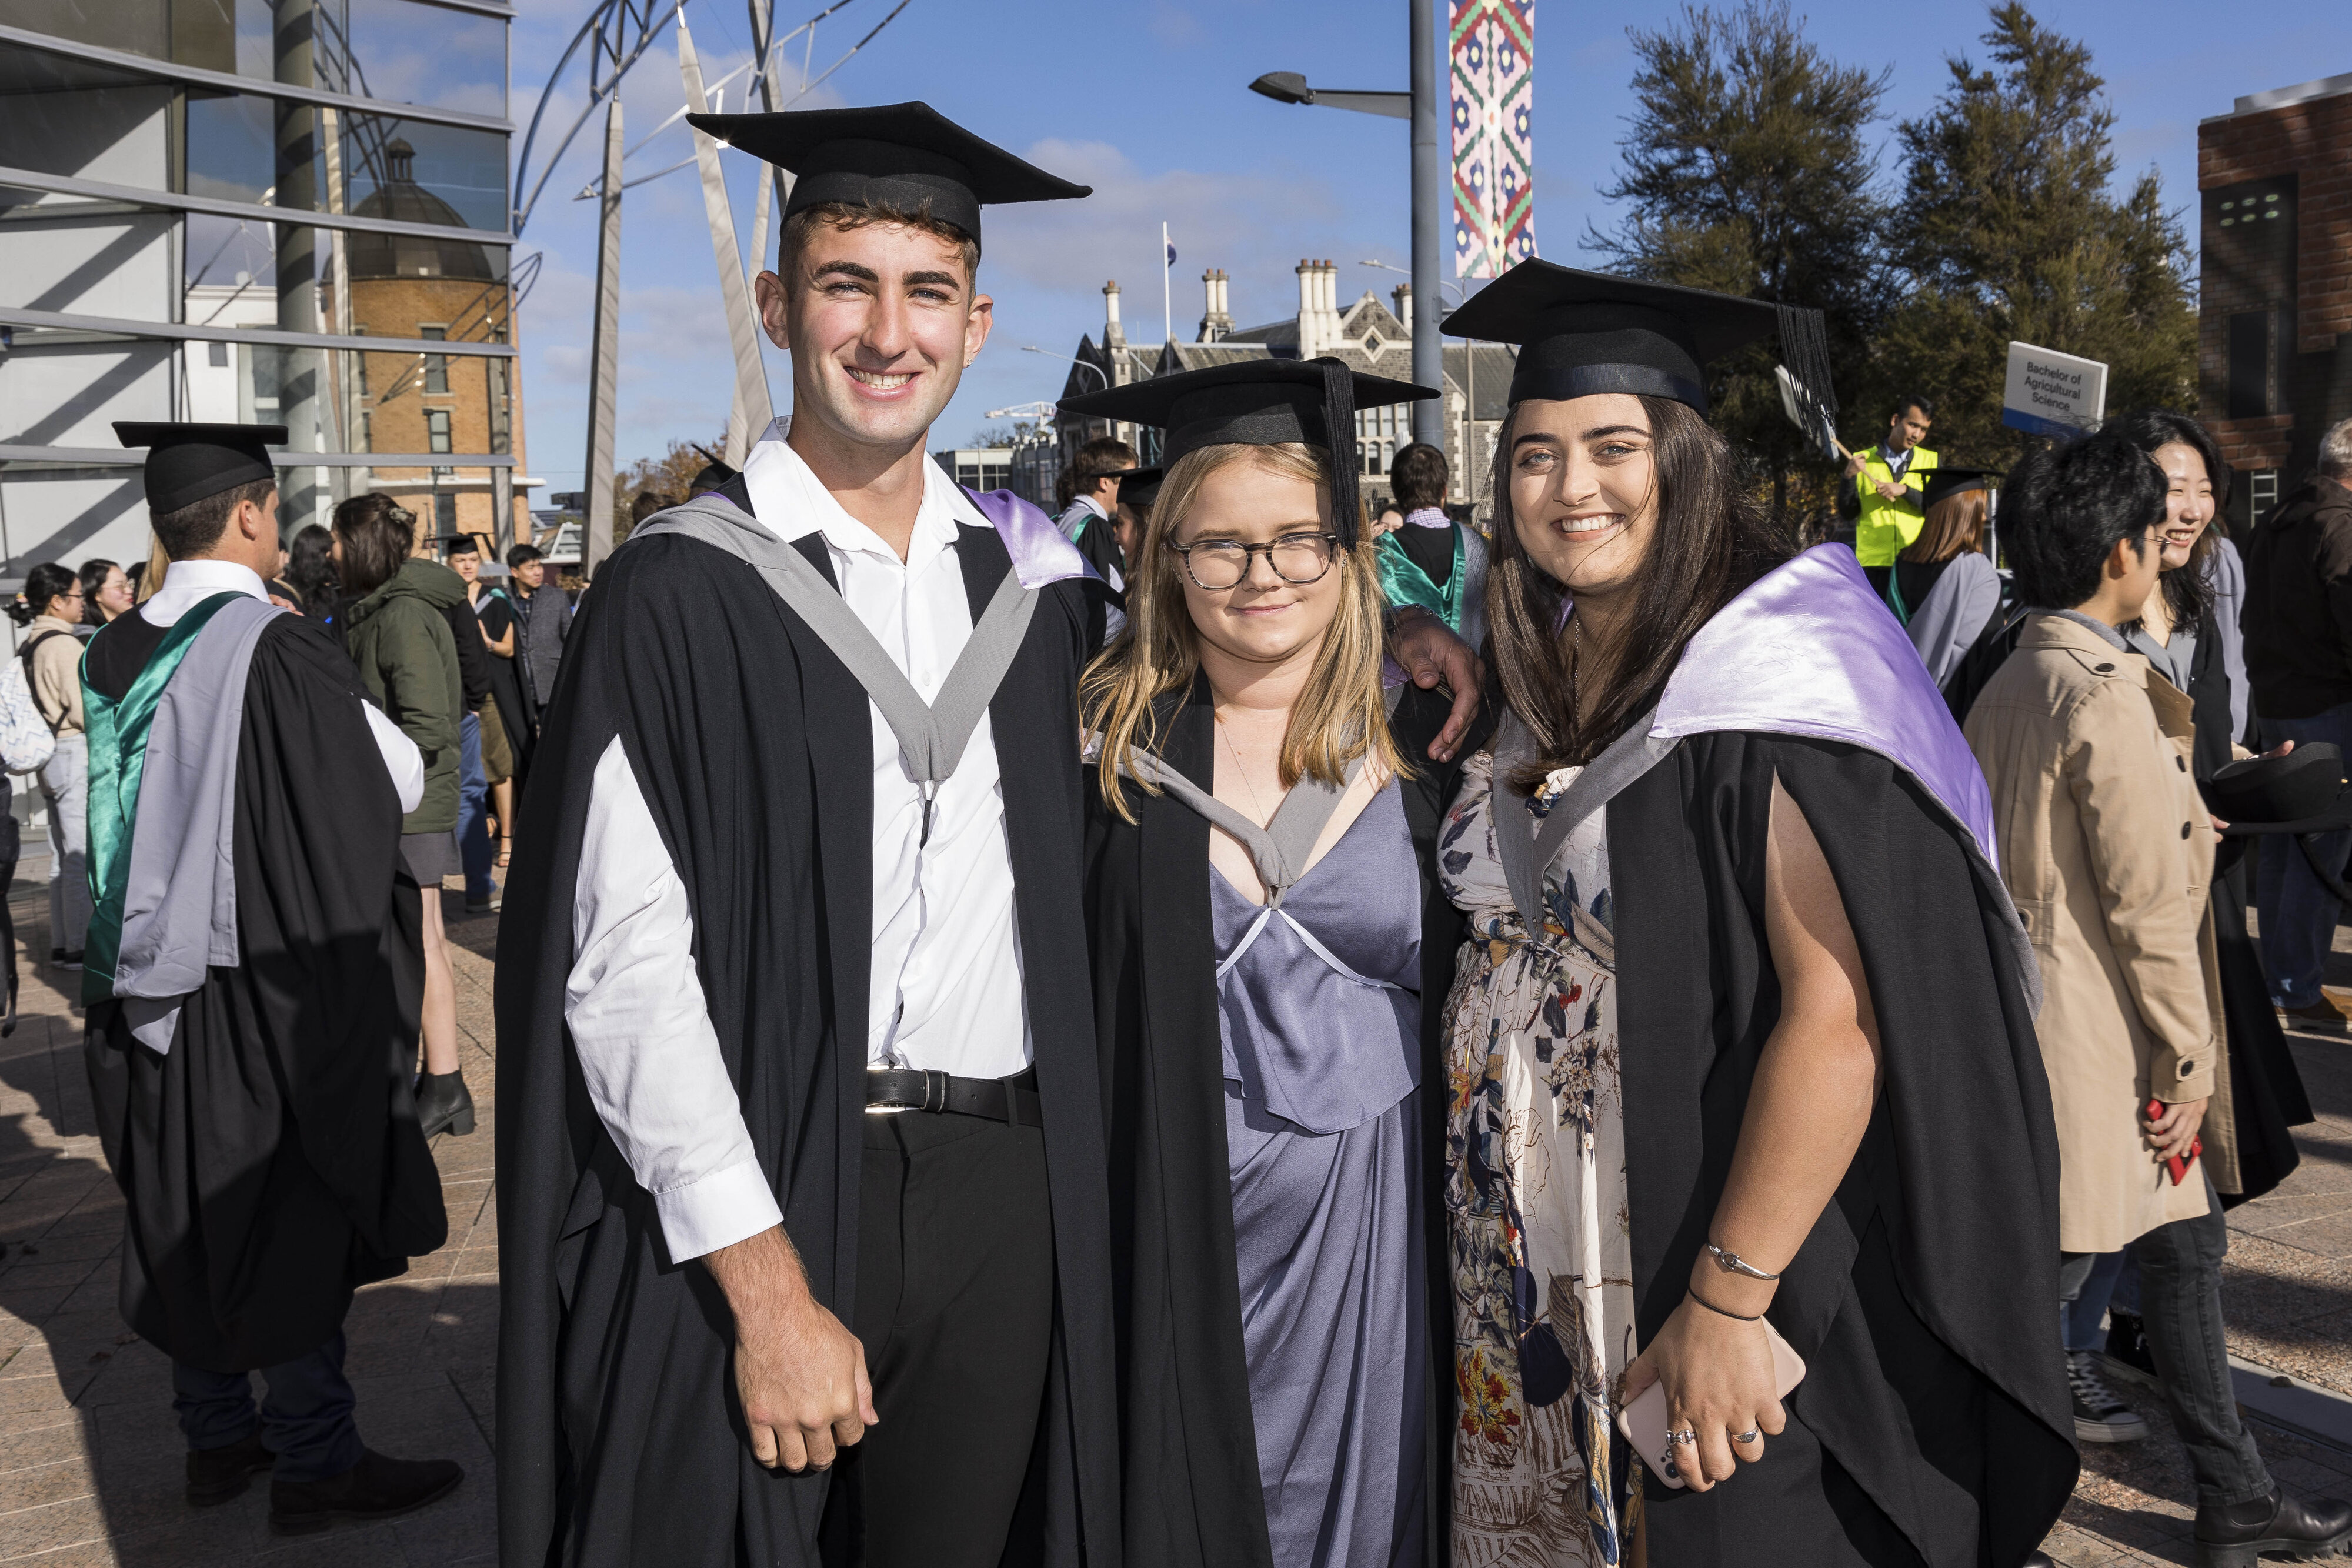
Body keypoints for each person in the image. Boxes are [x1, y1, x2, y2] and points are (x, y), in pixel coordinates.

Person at [1436, 260, 2073, 1564]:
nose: (1570, 486)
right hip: (1526, 1260)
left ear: (1683, 459)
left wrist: (1730, 1300)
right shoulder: (1539, 665)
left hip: (1697, 1238)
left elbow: (1840, 1018)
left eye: (1612, 447)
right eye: (1535, 456)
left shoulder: (1773, 673)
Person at [1065, 361, 1464, 1567]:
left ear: (1347, 549)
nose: (1260, 575)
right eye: (1218, 546)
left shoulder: (1433, 747)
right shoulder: (1098, 754)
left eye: (1297, 539)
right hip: (1175, 1215)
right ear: (1165, 557)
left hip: (1376, 1233)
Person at [1965, 432, 2352, 1563]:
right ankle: (1970, 1515)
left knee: (2181, 1255)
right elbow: (2146, 910)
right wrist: (2185, 1066)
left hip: (2060, 1025)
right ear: (2122, 553)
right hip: (2111, 1049)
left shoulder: (2015, 671)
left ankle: (2234, 1494)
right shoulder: (2098, 695)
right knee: (2034, 1291)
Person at [84, 421, 458, 1533]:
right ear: (250, 513)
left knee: (182, 1213)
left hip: (137, 988)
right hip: (251, 982)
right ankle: (315, 1459)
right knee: (281, 1209)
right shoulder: (272, 642)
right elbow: (390, 779)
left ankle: (215, 1441)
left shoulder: (110, 649)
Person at [334, 493, 474, 1139]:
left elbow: (427, 724)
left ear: (362, 545)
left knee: (422, 942)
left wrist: (374, 779)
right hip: (406, 796)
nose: (330, 553)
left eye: (338, 540)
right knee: (426, 939)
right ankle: (443, 1083)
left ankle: (444, 1083)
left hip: (411, 801)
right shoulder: (383, 609)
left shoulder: (402, 614)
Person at [2240, 414, 2352, 1032]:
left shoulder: (2278, 517)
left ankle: (2284, 980)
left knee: (2290, 844)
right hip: (2328, 704)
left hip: (2279, 699)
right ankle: (2295, 987)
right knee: (2320, 849)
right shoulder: (2340, 525)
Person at [13, 562, 91, 968]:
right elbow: (83, 710)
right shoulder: (63, 645)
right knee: (79, 854)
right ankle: (79, 945)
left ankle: (63, 944)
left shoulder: (31, 643)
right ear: (57, 601)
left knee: (61, 856)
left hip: (49, 755)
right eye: (77, 596)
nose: (82, 603)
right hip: (73, 749)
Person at [1874, 466, 2004, 688]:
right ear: (1965, 512)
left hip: (1905, 686)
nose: (1984, 517)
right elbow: (1988, 650)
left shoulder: (1901, 563)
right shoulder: (1976, 570)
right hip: (1957, 695)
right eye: (1981, 509)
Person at [448, 534, 525, 870]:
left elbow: (510, 649)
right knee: (465, 768)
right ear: (449, 563)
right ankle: (478, 830)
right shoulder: (445, 600)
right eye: (460, 560)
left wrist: (486, 641)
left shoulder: (495, 599)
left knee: (498, 765)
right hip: (456, 694)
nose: (467, 566)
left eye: (472, 560)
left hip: (490, 693)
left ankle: (507, 836)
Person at [1376, 440, 1489, 649]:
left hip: (1409, 664)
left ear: (1397, 493)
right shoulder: (1480, 544)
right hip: (1477, 661)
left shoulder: (1382, 552)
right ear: (1444, 491)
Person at [1843, 394, 1939, 567]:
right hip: (1872, 563)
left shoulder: (1933, 461)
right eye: (1913, 425)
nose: (1917, 435)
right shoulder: (1861, 460)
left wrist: (1905, 491)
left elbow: (1939, 509)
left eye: (1924, 430)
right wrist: (1848, 477)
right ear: (1895, 420)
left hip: (1915, 561)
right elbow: (1848, 512)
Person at [504, 541, 569, 721]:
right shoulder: (503, 599)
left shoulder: (556, 597)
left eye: (539, 565)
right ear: (515, 572)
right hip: (517, 686)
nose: (538, 572)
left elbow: (570, 639)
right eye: (531, 567)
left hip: (551, 683)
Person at [1056, 433, 1136, 554]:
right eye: (1126, 481)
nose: (1131, 488)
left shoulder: (1060, 520)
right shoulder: (1095, 528)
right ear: (1105, 483)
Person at [79, 558, 134, 633]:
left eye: (128, 584)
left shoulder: (134, 625)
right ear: (97, 595)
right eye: (120, 586)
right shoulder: (91, 635)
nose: (130, 591)